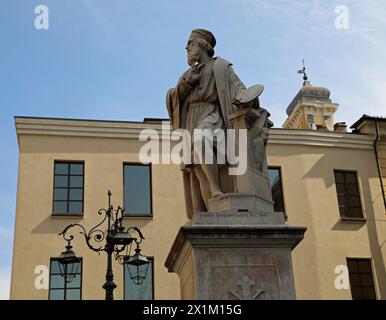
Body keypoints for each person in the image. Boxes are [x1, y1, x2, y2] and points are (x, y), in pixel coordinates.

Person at [166, 29, 263, 218]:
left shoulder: (220, 66)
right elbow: (173, 97)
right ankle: (210, 209)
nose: (186, 47)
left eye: (190, 43)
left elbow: (237, 88)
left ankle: (216, 188)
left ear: (203, 44)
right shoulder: (187, 74)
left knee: (202, 140)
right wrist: (187, 82)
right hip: (190, 120)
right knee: (198, 167)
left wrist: (249, 99)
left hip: (211, 114)